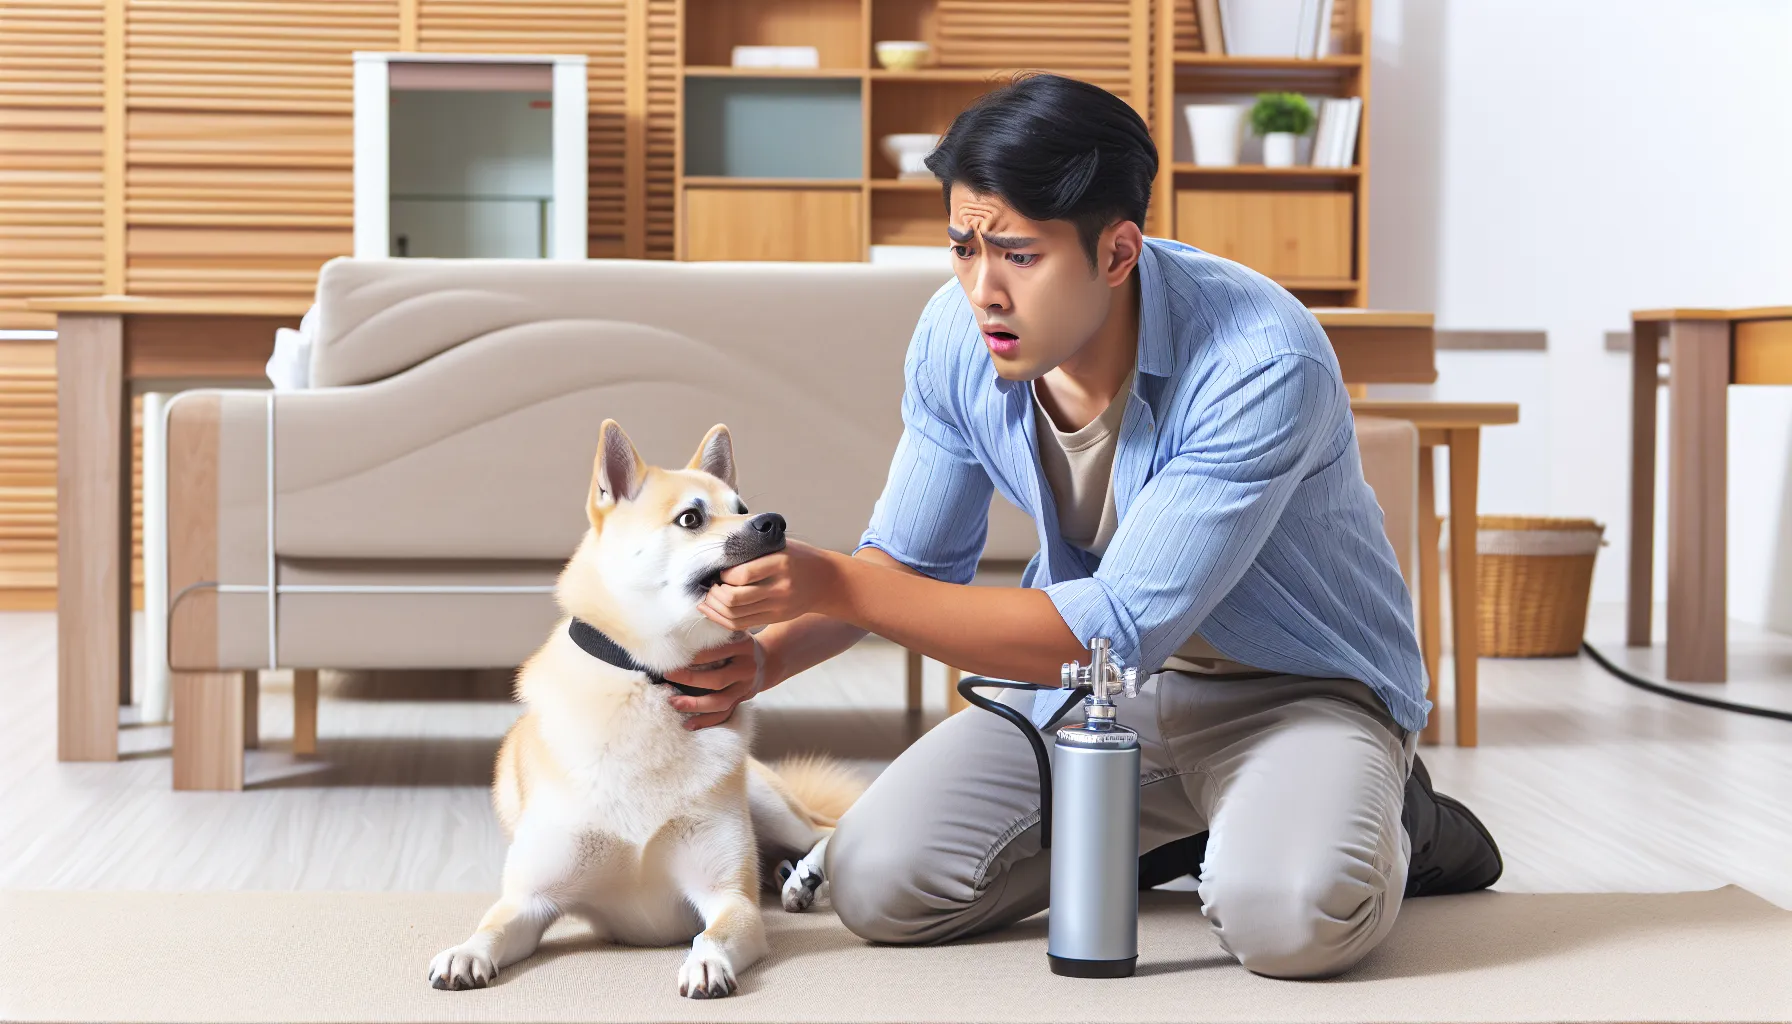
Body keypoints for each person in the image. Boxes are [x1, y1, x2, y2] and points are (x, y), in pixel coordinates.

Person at [661, 73, 1501, 979]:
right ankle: (1184, 833)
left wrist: (837, 580)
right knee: (879, 886)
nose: (984, 289)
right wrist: (763, 660)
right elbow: (908, 560)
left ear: (1117, 252)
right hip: (1099, 699)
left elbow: (1111, 626)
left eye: (1019, 255)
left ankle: (1395, 813)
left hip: (1295, 693)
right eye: (962, 247)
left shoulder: (1262, 360)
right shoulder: (957, 334)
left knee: (1292, 923)